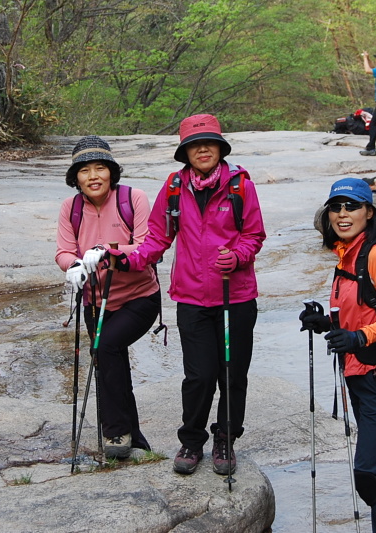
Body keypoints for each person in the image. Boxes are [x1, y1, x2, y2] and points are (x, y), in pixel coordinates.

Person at [108, 114, 266, 477]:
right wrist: (126, 260)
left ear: (220, 147)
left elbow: (254, 235)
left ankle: (225, 438)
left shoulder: (240, 185)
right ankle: (192, 441)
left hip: (236, 298)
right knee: (198, 376)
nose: (203, 150)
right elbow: (158, 240)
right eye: (195, 145)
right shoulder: (175, 187)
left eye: (209, 143)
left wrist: (237, 255)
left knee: (232, 375)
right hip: (192, 299)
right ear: (186, 152)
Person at [300, 177, 376, 533]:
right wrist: (325, 323)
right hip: (362, 376)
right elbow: (361, 309)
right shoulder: (347, 254)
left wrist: (358, 338)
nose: (342, 213)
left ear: (369, 211)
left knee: (369, 474)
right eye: (336, 207)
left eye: (351, 206)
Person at [55, 135, 162, 460]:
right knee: (109, 363)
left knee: (106, 347)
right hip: (95, 301)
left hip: (139, 296)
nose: (93, 176)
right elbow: (63, 251)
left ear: (112, 172)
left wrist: (106, 252)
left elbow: (147, 246)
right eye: (85, 171)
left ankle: (115, 433)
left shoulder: (134, 198)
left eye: (100, 168)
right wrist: (72, 265)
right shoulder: (70, 208)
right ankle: (133, 434)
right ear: (76, 179)